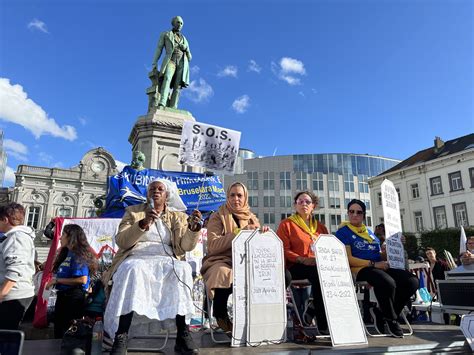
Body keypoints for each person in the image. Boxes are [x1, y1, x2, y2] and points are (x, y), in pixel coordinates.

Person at [102, 179, 202, 355]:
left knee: (182, 269)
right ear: (147, 194)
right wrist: (142, 224)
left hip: (166, 257)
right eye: (152, 189)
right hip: (136, 255)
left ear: (166, 195)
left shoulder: (177, 217)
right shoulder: (133, 212)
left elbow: (185, 247)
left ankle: (183, 335)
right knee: (133, 269)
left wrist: (193, 229)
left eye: (160, 189)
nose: (156, 191)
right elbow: (122, 241)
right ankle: (121, 335)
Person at [335, 199, 418, 338]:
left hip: (378, 266)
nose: (355, 215)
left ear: (363, 215)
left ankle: (382, 313)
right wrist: (373, 264)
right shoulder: (343, 232)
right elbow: (347, 258)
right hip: (359, 269)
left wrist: (395, 245)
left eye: (359, 212)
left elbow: (379, 255)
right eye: (351, 211)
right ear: (348, 213)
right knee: (387, 282)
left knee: (412, 281)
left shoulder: (369, 232)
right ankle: (392, 319)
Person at [200, 182, 267, 333]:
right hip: (221, 260)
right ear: (227, 197)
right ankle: (220, 313)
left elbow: (257, 244)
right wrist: (239, 232)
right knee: (224, 273)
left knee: (274, 275)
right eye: (232, 195)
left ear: (245, 198)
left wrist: (263, 233)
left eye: (239, 195)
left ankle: (259, 317)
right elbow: (214, 245)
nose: (236, 199)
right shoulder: (217, 216)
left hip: (247, 261)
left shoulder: (252, 218)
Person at [276, 191, 329, 333]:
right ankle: (323, 325)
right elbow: (283, 250)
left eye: (307, 202)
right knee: (319, 274)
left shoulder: (321, 227)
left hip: (316, 266)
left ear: (314, 206)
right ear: (295, 205)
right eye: (300, 201)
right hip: (295, 266)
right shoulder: (287, 224)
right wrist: (302, 259)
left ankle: (313, 309)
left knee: (328, 277)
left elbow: (328, 247)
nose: (303, 204)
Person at [45, 224, 98, 338]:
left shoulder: (78, 255)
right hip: (63, 296)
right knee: (59, 331)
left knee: (69, 332)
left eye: (63, 234)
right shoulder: (65, 253)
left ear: (71, 237)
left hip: (73, 298)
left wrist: (57, 280)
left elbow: (82, 279)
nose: (60, 237)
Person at [0, 203, 36, 330]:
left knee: (5, 336)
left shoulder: (16, 238)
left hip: (13, 295)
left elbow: (14, 272)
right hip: (13, 294)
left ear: (5, 219)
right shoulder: (14, 237)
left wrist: (1, 294)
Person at [151, 16, 192, 109]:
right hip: (171, 60)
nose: (180, 25)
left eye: (181, 23)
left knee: (177, 86)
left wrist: (186, 49)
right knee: (167, 79)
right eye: (178, 22)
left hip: (182, 63)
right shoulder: (166, 34)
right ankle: (162, 103)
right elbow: (159, 48)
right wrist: (154, 62)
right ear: (173, 23)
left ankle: (173, 106)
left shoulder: (185, 39)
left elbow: (190, 57)